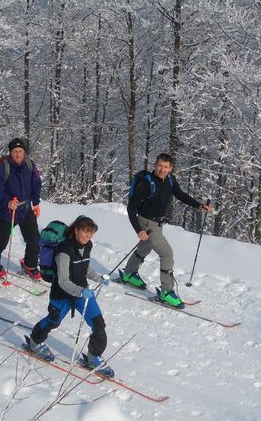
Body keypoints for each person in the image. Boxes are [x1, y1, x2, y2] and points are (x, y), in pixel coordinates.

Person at [120, 153, 212, 308]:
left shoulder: (170, 180)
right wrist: (138, 230)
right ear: (154, 165)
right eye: (159, 166)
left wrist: (199, 205)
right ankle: (166, 292)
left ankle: (129, 273)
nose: (162, 170)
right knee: (167, 254)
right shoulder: (146, 183)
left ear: (171, 168)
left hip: (158, 224)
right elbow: (131, 208)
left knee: (145, 247)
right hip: (146, 223)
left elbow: (180, 195)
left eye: (166, 167)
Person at [27, 216, 114, 377]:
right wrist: (80, 291)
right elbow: (63, 281)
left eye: (91, 233)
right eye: (85, 232)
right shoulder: (64, 250)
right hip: (62, 294)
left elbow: (84, 267)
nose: (88, 237)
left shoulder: (87, 246)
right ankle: (35, 341)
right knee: (53, 321)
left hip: (81, 293)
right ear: (76, 230)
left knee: (98, 324)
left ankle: (93, 357)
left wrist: (99, 278)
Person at [0, 138, 43, 280]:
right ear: (10, 153)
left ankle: (29, 265)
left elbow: (36, 184)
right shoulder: (4, 167)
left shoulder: (30, 165)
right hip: (8, 210)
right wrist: (7, 202)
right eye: (15, 152)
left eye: (20, 151)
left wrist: (36, 203)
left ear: (24, 152)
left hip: (26, 208)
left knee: (34, 239)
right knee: (2, 239)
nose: (18, 154)